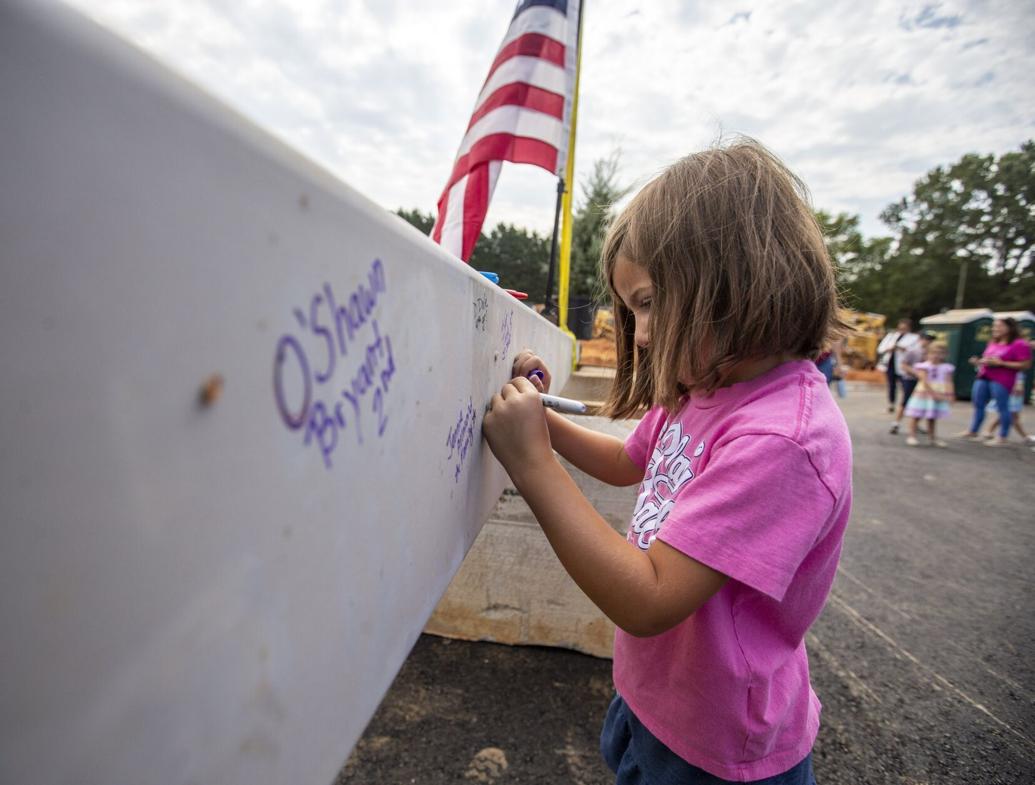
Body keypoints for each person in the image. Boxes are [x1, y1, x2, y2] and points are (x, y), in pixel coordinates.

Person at [483, 140, 850, 785]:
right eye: (633, 311)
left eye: (649, 302)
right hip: (657, 696)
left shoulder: (781, 440)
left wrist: (532, 465)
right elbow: (629, 461)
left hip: (717, 745)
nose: (642, 333)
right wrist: (543, 420)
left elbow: (649, 597)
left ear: (737, 279)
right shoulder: (706, 389)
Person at [959, 317, 1033, 446]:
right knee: (978, 404)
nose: (995, 329)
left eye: (999, 326)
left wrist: (1002, 363)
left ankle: (1002, 436)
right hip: (984, 376)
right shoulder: (993, 342)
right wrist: (979, 361)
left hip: (1003, 379)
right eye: (994, 326)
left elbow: (1025, 365)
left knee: (1002, 407)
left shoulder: (1020, 344)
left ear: (1010, 328)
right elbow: (987, 358)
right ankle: (973, 431)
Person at [902, 341, 954, 447]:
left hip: (939, 392)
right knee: (916, 415)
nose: (936, 356)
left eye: (940, 353)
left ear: (945, 354)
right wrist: (933, 393)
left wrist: (950, 394)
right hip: (924, 393)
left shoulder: (946, 367)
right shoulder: (924, 366)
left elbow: (949, 381)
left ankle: (932, 438)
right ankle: (911, 436)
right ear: (928, 354)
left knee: (932, 416)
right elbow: (924, 380)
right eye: (933, 353)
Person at [889, 332, 934, 434]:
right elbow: (903, 365)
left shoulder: (930, 354)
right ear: (920, 339)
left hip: (924, 381)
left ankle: (916, 424)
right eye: (925, 339)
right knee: (906, 401)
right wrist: (916, 373)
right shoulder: (913, 351)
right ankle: (896, 423)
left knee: (921, 403)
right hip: (910, 379)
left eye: (929, 340)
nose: (927, 342)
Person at [877, 318, 920, 413]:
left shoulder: (914, 338)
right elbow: (880, 349)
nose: (902, 330)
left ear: (909, 328)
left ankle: (905, 405)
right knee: (891, 385)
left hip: (903, 366)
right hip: (890, 364)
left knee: (905, 386)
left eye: (904, 328)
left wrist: (901, 348)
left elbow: (915, 351)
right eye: (900, 328)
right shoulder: (891, 336)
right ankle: (891, 404)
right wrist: (889, 349)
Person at [983, 371, 1033, 443]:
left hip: (1014, 396)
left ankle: (988, 431)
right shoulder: (1014, 369)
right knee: (1012, 416)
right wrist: (1018, 385)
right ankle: (1024, 436)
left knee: (1006, 416)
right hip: (1012, 395)